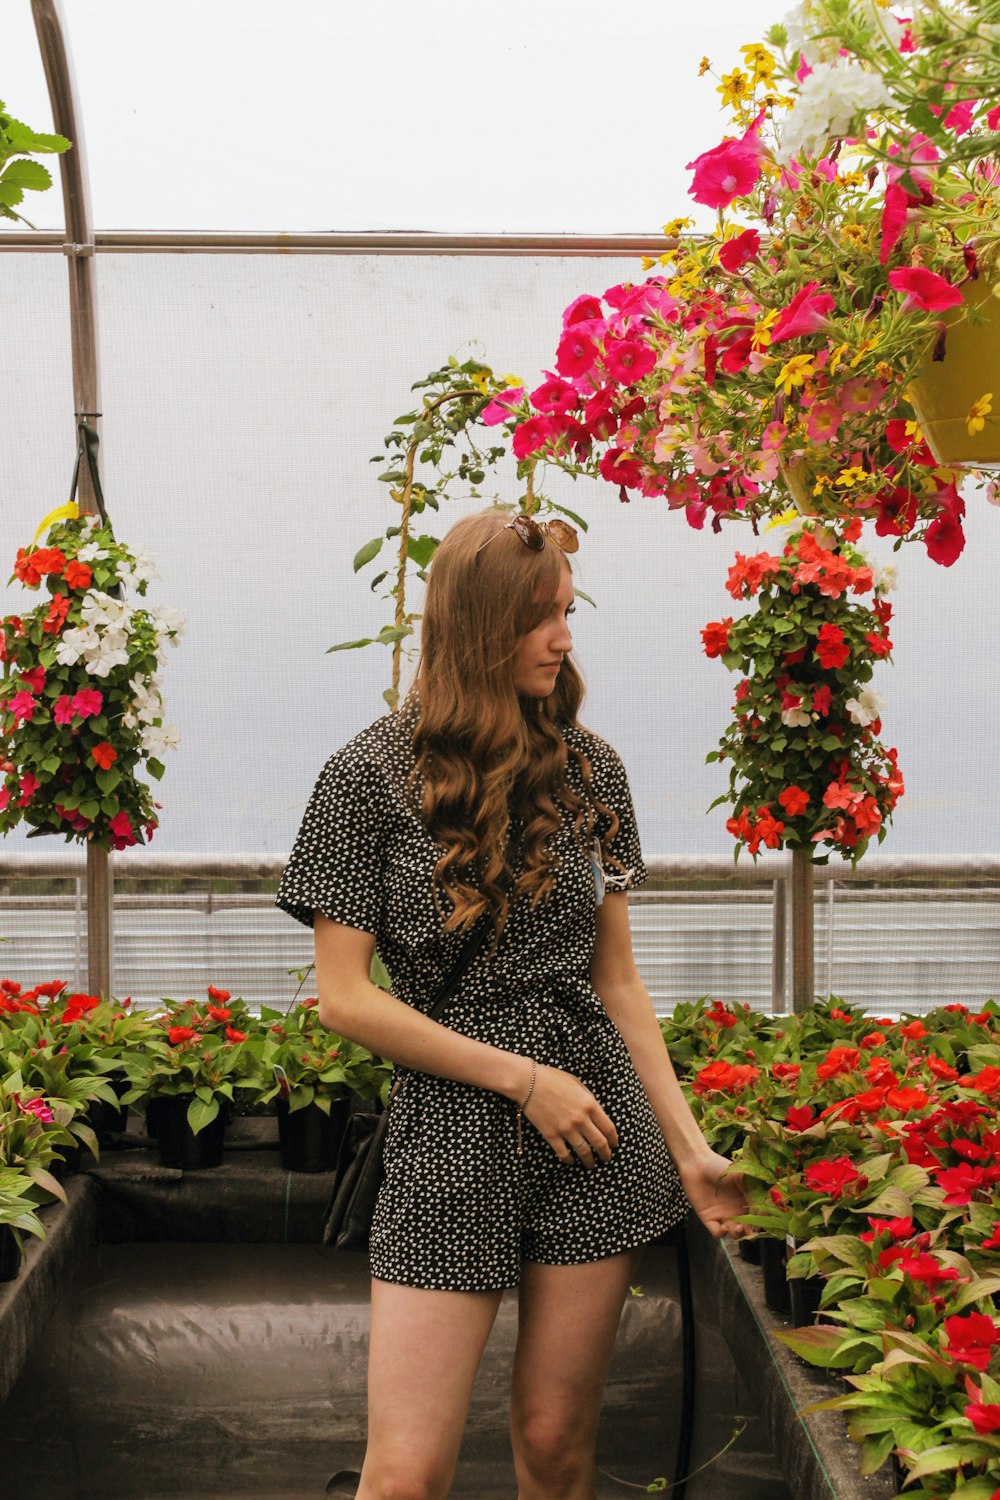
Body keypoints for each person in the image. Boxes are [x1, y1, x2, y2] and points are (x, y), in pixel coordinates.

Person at [276, 507, 746, 1500]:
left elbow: (615, 980)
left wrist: (691, 1146)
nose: (563, 640)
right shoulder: (366, 776)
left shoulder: (588, 769)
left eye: (567, 614)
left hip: (597, 1137)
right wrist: (524, 1080)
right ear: (479, 625)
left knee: (554, 1441)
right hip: (452, 1130)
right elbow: (346, 1000)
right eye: (540, 620)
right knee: (403, 1473)